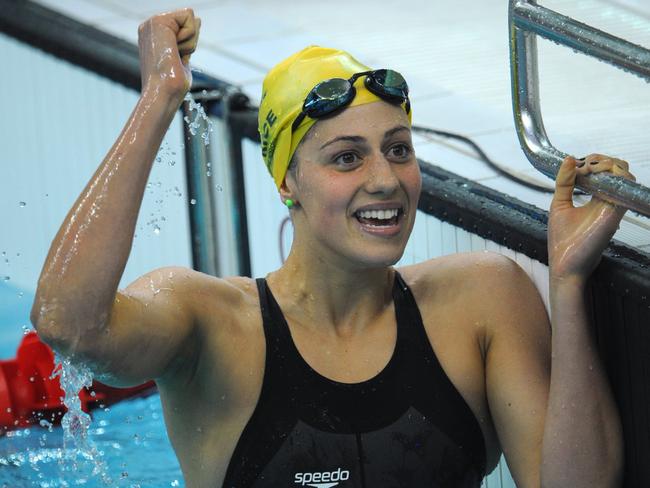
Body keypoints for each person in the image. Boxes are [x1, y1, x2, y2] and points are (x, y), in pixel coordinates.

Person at [31, 8, 633, 488]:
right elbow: (70, 325)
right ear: (287, 182)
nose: (385, 180)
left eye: (398, 149)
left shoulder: (483, 299)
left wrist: (570, 281)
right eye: (348, 157)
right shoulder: (210, 323)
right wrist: (159, 96)